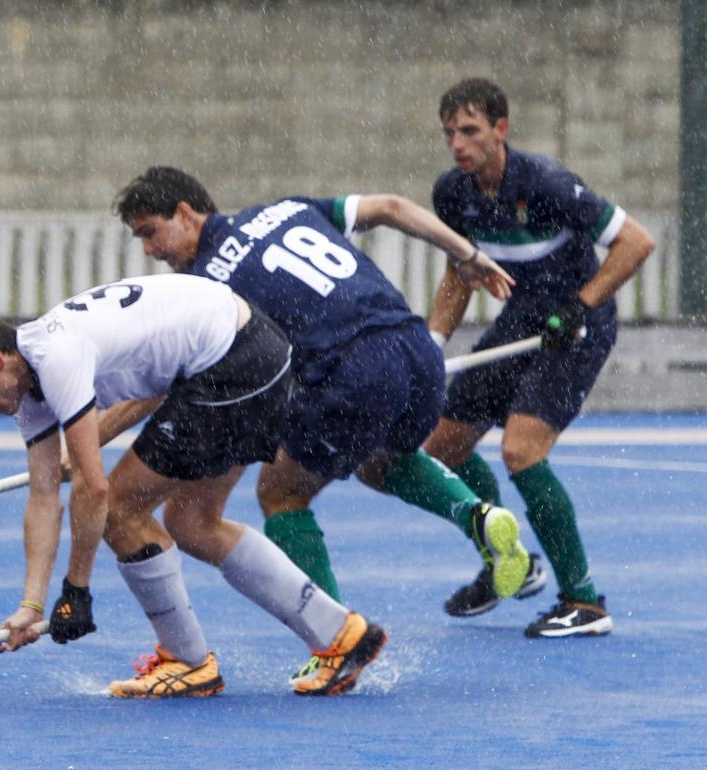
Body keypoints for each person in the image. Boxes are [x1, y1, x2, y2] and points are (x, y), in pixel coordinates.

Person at [113, 166, 541, 676]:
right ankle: (477, 515)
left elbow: (169, 384)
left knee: (281, 493)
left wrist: (95, 435)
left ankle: (336, 643)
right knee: (383, 462)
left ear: (185, 212)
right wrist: (467, 255)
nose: (149, 250)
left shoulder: (207, 285)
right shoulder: (287, 207)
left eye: (150, 232)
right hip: (414, 348)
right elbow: (392, 207)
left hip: (349, 370)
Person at [0, 272, 386, 698]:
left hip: (234, 364)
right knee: (192, 522)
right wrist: (31, 604)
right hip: (245, 356)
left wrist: (76, 590)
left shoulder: (56, 357)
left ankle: (188, 661)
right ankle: (340, 634)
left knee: (121, 508)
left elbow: (92, 488)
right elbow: (43, 497)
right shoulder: (28, 385)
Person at [422, 77, 655, 637]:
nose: (458, 143)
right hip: (522, 320)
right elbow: (460, 273)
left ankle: (585, 602)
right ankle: (510, 562)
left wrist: (580, 305)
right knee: (441, 450)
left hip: (578, 326)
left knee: (521, 451)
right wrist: (430, 344)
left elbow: (637, 242)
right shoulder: (452, 194)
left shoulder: (547, 183)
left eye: (471, 130)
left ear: (501, 131)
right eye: (450, 132)